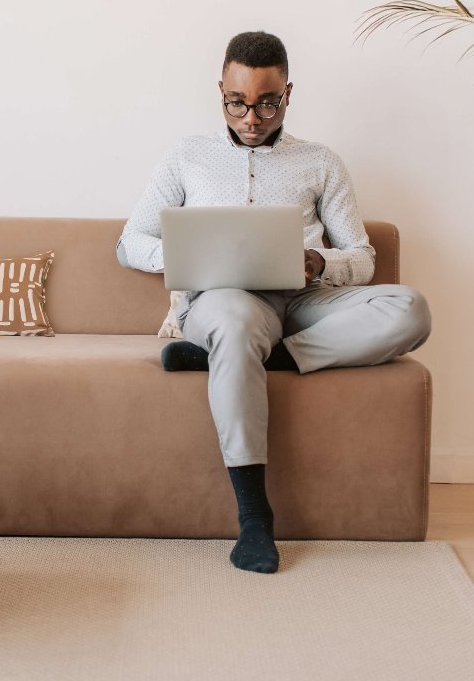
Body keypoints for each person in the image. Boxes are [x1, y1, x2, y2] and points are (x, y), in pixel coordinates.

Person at [116, 31, 431, 574]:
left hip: (303, 299)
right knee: (236, 325)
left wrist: (319, 262)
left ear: (288, 93)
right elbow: (129, 242)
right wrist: (187, 256)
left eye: (267, 102)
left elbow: (362, 257)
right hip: (225, 301)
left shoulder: (320, 162)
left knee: (410, 309)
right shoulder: (186, 156)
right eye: (236, 103)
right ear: (220, 90)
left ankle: (240, 360)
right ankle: (255, 517)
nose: (252, 118)